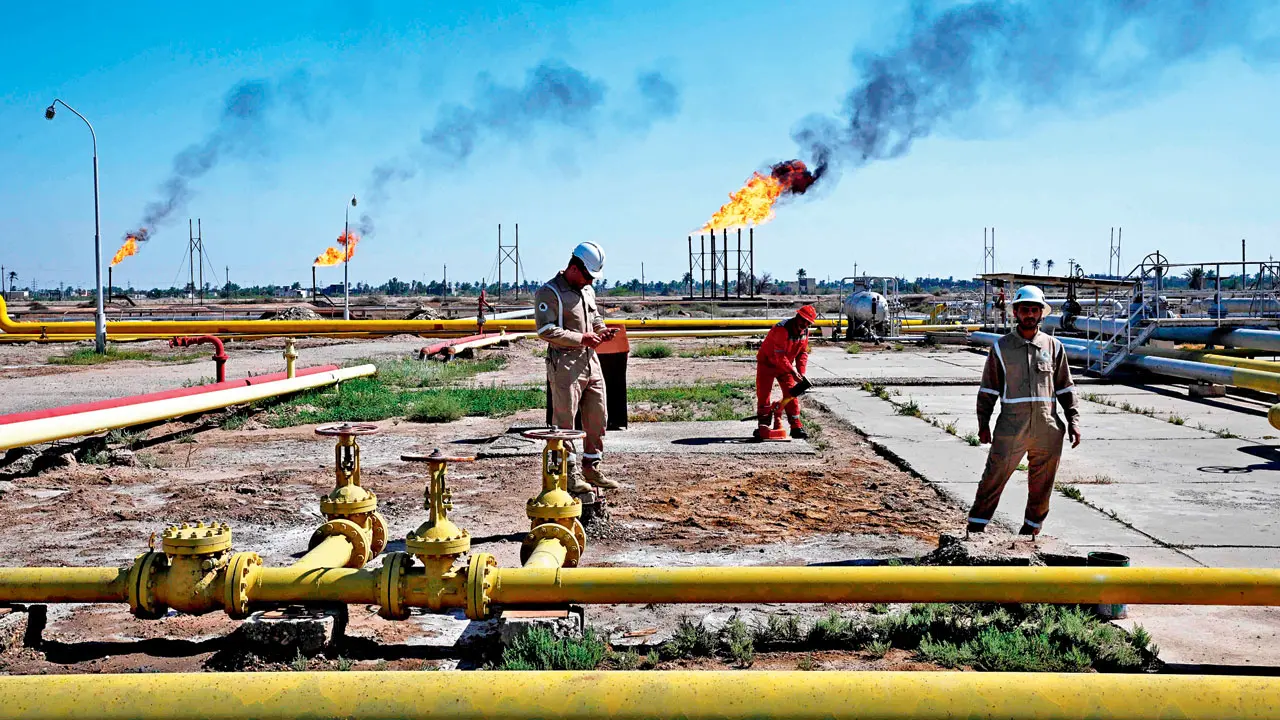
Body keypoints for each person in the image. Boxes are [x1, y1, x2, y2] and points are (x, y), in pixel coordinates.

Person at [969, 285, 1082, 538]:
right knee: (994, 476)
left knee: (1043, 482)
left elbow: (1065, 387)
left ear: (1041, 313)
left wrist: (1073, 421)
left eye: (1034, 310)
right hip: (1011, 427)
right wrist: (983, 424)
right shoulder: (1001, 348)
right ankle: (975, 528)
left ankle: (1030, 531)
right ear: (1016, 313)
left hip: (1047, 427)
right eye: (1024, 310)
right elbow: (988, 389)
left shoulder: (1054, 347)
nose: (1029, 314)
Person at [534, 241, 620, 492]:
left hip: (590, 360)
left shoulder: (587, 290)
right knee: (564, 421)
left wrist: (602, 331)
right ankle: (568, 474)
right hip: (565, 363)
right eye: (588, 276)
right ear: (574, 268)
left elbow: (595, 318)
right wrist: (581, 338)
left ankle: (592, 467)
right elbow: (545, 330)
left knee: (598, 416)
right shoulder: (549, 292)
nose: (591, 281)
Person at [755, 305, 816, 440]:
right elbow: (779, 355)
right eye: (803, 320)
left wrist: (801, 372)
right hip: (767, 364)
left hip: (784, 366)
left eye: (808, 323)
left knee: (791, 395)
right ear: (797, 317)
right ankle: (763, 426)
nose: (805, 324)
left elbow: (802, 353)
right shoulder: (781, 329)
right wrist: (793, 372)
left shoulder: (805, 332)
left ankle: (796, 427)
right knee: (764, 395)